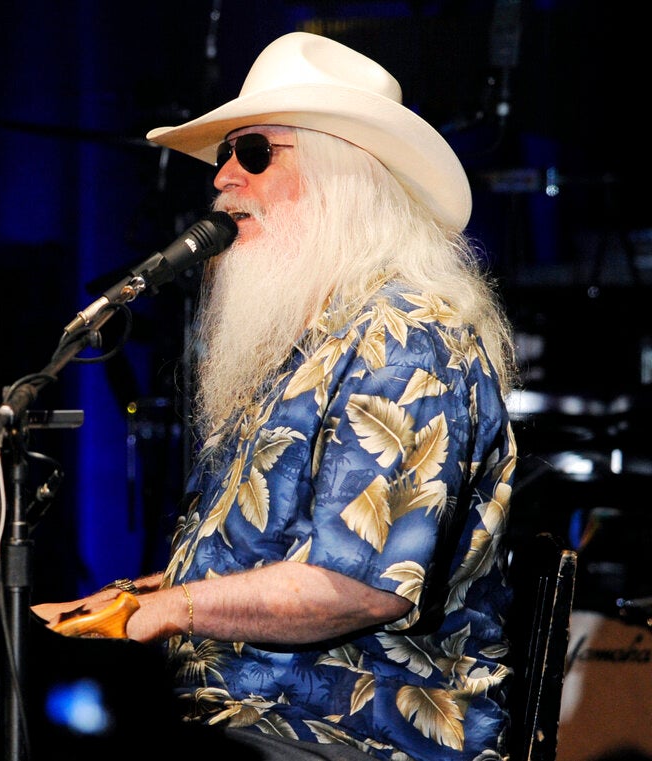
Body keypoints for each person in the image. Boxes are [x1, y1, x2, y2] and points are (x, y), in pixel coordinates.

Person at [32, 31, 518, 761]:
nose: (223, 177)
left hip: (354, 731)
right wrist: (136, 594)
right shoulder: (317, 339)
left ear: (340, 176)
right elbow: (270, 555)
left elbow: (358, 587)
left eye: (253, 152)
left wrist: (169, 609)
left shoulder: (406, 340)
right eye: (225, 155)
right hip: (256, 715)